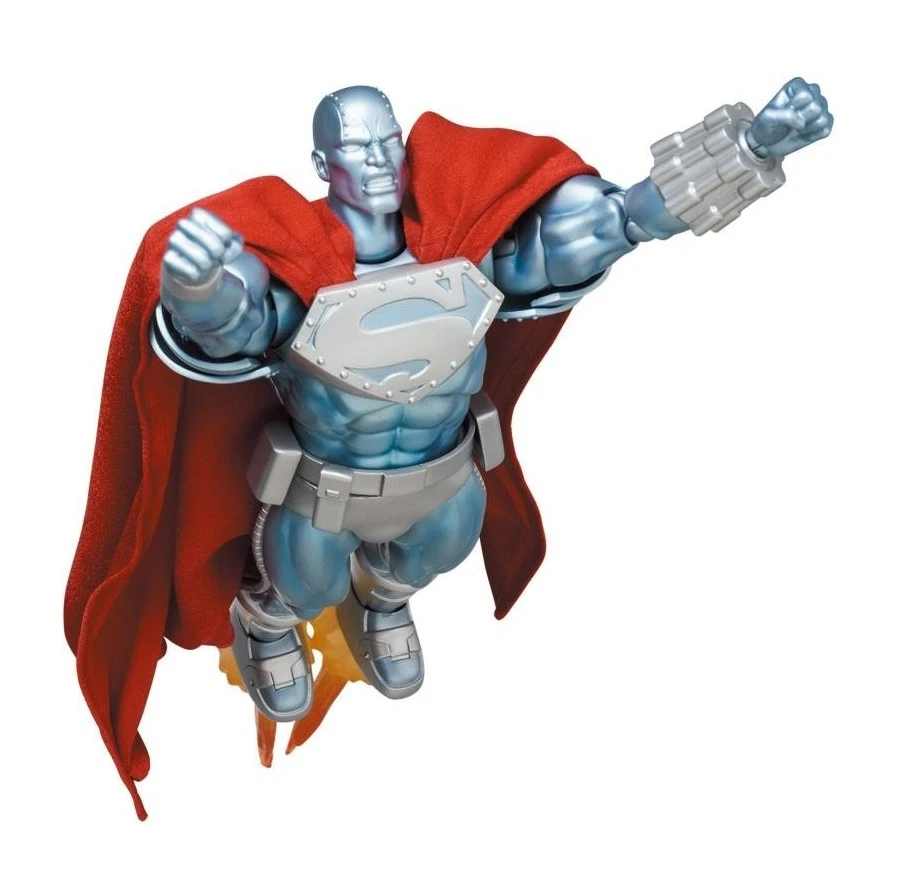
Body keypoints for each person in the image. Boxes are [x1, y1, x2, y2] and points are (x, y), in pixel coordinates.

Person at [67, 81, 832, 817]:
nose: (377, 160)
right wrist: (199, 287)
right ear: (323, 163)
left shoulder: (466, 248)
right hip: (327, 488)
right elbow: (234, 325)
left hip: (445, 474)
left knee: (428, 560)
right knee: (301, 589)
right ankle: (267, 627)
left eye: (388, 142)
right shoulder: (296, 271)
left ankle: (384, 602)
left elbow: (615, 224)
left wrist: (743, 152)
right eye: (357, 147)